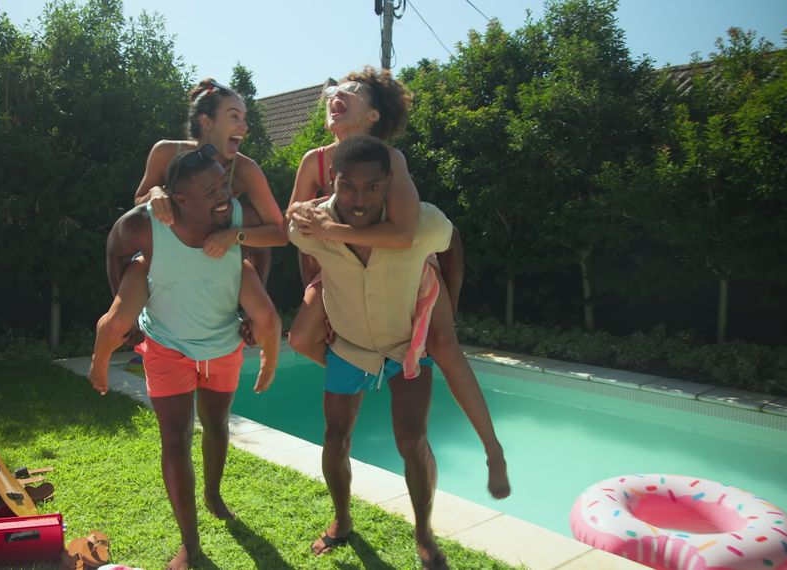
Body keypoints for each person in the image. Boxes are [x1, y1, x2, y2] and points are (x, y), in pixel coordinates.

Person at [286, 67, 510, 502]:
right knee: (300, 338)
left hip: (403, 266)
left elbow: (404, 233)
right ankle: (372, 367)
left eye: (352, 91)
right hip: (341, 268)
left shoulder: (390, 159)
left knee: (444, 346)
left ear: (373, 116)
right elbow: (292, 224)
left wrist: (328, 229)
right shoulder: (313, 160)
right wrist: (311, 271)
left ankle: (492, 448)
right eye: (335, 90)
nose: (337, 94)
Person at [289, 135, 497, 569]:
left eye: (372, 187)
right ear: (333, 181)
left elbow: (453, 243)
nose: (359, 199)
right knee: (335, 438)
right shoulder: (310, 225)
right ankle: (342, 521)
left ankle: (424, 533)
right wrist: (316, 288)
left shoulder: (421, 224)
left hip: (408, 346)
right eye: (348, 186)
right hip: (348, 346)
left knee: (412, 439)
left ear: (389, 183)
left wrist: (450, 304)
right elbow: (303, 250)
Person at [105, 145, 280, 570]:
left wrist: (250, 307)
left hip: (222, 345)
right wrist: (123, 310)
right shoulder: (151, 222)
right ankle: (190, 542)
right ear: (179, 199)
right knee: (176, 436)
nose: (223, 194)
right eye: (210, 190)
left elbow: (272, 240)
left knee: (217, 424)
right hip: (167, 346)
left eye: (224, 182)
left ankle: (214, 495)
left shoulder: (236, 215)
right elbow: (115, 246)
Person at [88, 79, 286, 389]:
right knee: (116, 323)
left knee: (269, 321)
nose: (244, 126)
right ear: (207, 122)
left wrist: (236, 237)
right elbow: (138, 202)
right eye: (235, 116)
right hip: (164, 258)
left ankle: (269, 362)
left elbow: (279, 233)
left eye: (245, 118)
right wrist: (155, 192)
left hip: (218, 261)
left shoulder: (246, 170)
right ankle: (98, 363)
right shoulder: (167, 152)